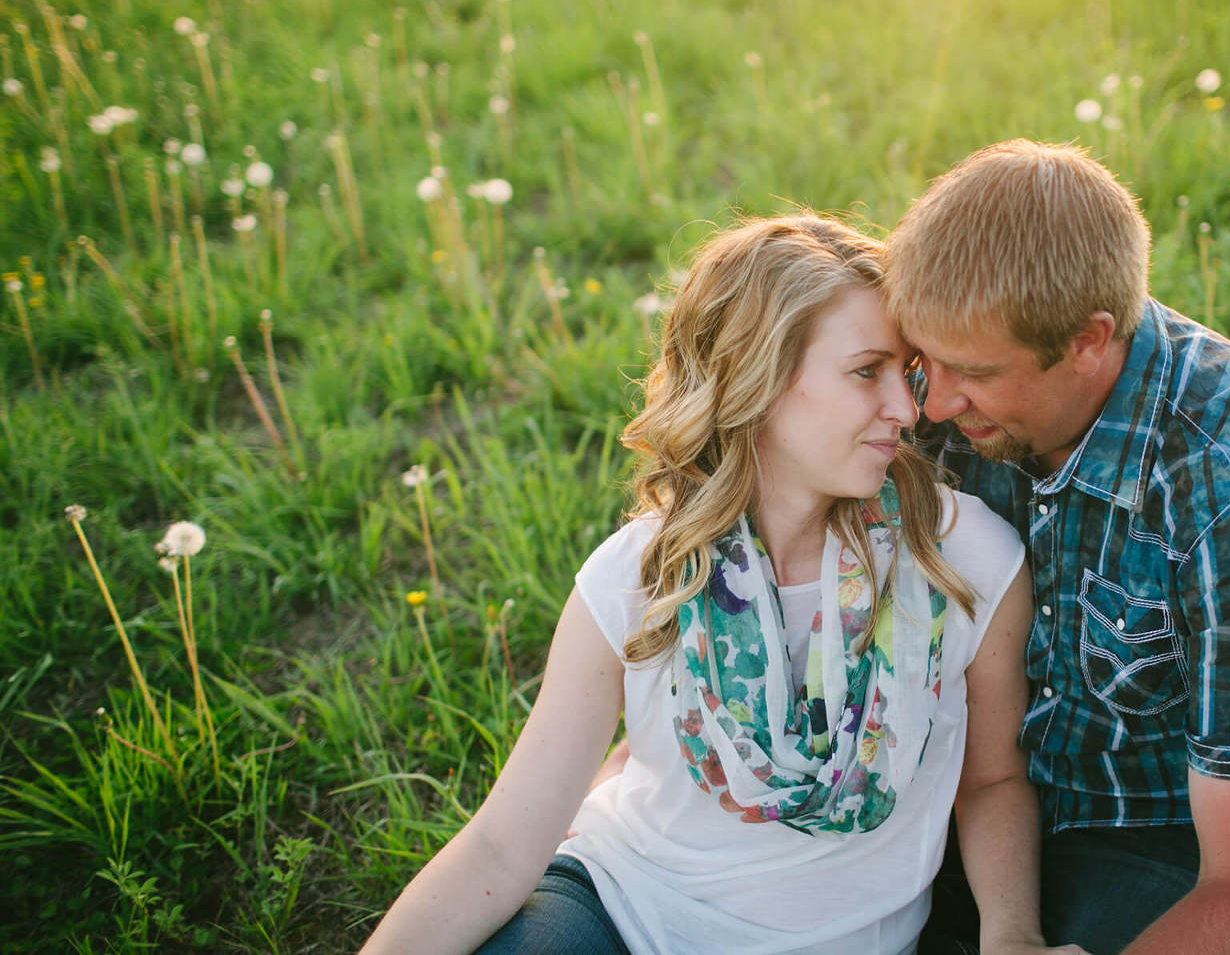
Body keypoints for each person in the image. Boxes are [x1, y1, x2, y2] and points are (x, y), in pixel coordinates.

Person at [360, 215, 1075, 955]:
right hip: (619, 915)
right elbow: (504, 846)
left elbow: (992, 783)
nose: (909, 409)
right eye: (868, 371)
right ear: (756, 380)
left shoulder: (966, 558)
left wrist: (1012, 935)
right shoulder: (642, 575)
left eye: (908, 371)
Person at [883, 140, 1230, 955]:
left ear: (1089, 341)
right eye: (922, 360)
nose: (933, 403)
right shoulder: (939, 384)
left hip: (1173, 829)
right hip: (977, 782)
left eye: (971, 372)